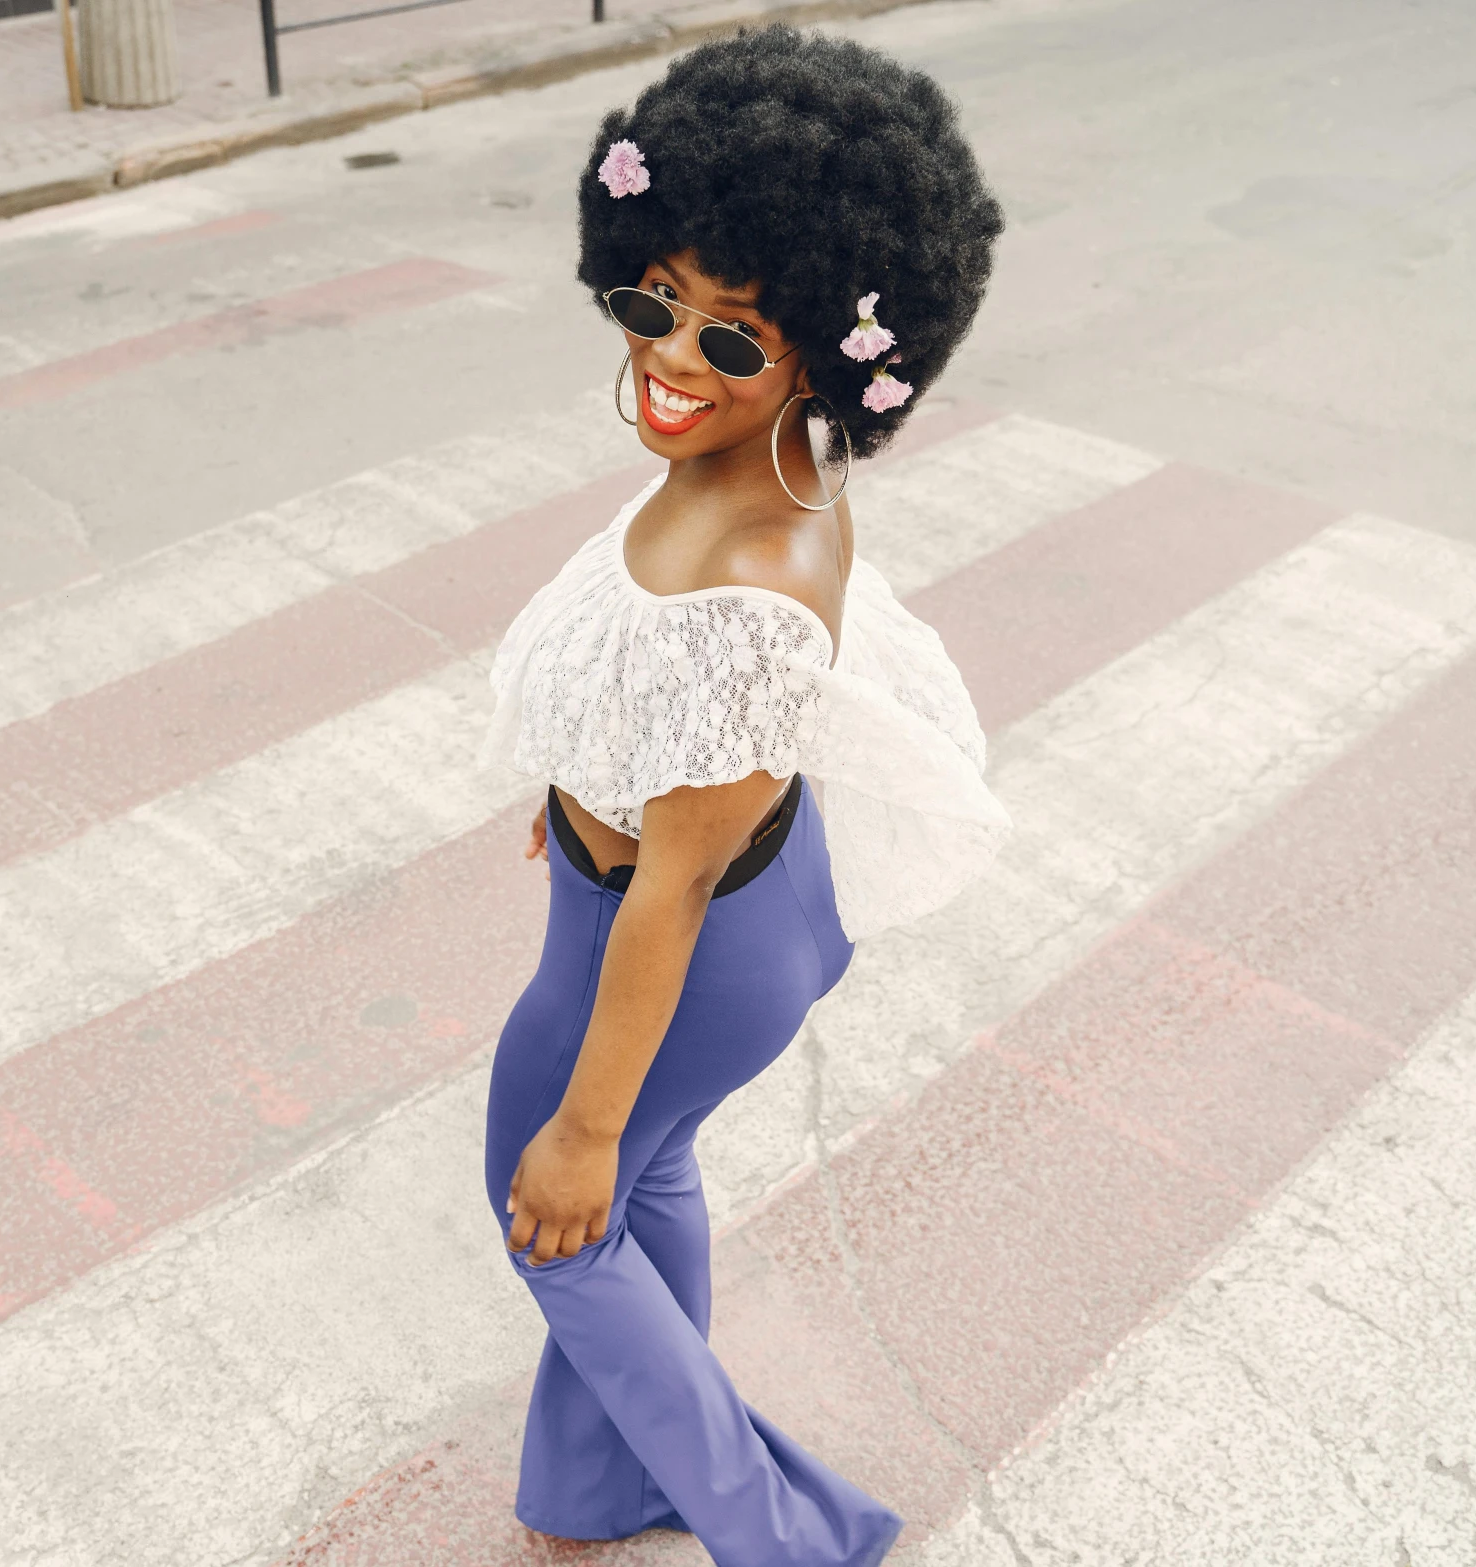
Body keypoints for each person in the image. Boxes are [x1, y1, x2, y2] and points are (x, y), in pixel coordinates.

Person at [473, 26, 1013, 1565]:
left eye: (729, 337)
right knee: (640, 1188)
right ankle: (595, 1493)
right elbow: (681, 732)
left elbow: (673, 878)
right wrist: (586, 777)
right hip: (747, 898)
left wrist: (579, 1124)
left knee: (556, 1205)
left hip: (675, 939)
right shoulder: (778, 466)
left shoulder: (750, 575)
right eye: (654, 301)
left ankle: (789, 1537)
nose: (666, 355)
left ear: (824, 353)